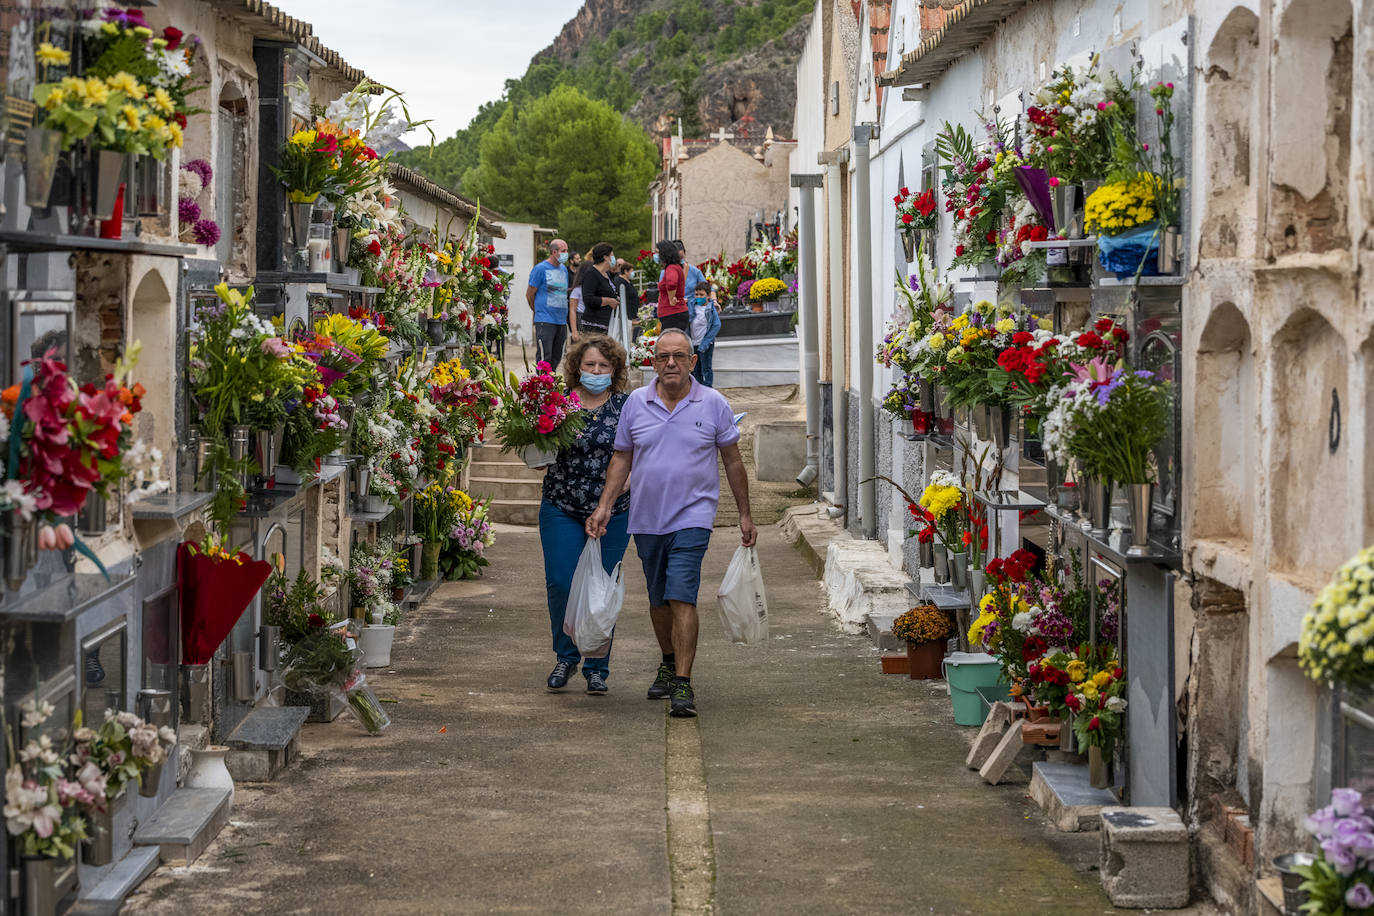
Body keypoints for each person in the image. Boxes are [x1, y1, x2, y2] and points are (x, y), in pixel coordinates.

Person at [586, 328, 757, 718]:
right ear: (653, 362)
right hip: (646, 518)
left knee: (682, 594)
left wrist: (744, 513)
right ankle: (667, 660)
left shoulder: (712, 403)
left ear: (693, 361)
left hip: (693, 517)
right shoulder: (635, 403)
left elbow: (732, 459)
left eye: (679, 356)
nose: (671, 363)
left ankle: (683, 683)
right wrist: (605, 506)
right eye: (663, 357)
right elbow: (622, 459)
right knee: (658, 599)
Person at [541, 334, 634, 695]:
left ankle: (597, 666)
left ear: (615, 370)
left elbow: (638, 453)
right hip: (561, 504)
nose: (596, 371)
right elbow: (539, 449)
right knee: (561, 582)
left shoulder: (627, 406)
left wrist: (625, 485)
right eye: (589, 365)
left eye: (603, 366)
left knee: (602, 588)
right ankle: (565, 656)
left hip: (613, 509)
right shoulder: (558, 404)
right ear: (577, 367)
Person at [526, 239, 571, 367]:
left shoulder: (563, 269)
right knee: (545, 355)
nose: (566, 254)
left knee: (557, 355)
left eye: (567, 251)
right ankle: (542, 382)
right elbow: (530, 293)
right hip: (545, 319)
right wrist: (537, 310)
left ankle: (552, 381)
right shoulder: (540, 269)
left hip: (561, 320)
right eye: (563, 251)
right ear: (554, 252)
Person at [579, 243, 620, 336]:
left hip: (607, 324)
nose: (614, 259)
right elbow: (588, 299)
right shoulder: (591, 274)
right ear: (605, 257)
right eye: (612, 256)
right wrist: (608, 301)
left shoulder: (607, 275)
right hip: (594, 326)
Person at [688, 282, 721, 387]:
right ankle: (697, 390)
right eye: (696, 294)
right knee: (695, 369)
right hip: (693, 344)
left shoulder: (710, 309)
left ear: (708, 296)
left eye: (701, 295)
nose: (698, 297)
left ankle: (707, 390)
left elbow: (716, 325)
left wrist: (706, 341)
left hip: (705, 345)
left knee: (706, 368)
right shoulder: (692, 306)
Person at [654, 239, 690, 335]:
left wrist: (671, 298)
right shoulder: (674, 267)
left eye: (658, 253)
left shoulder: (671, 268)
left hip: (672, 314)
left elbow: (672, 283)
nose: (656, 255)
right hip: (672, 314)